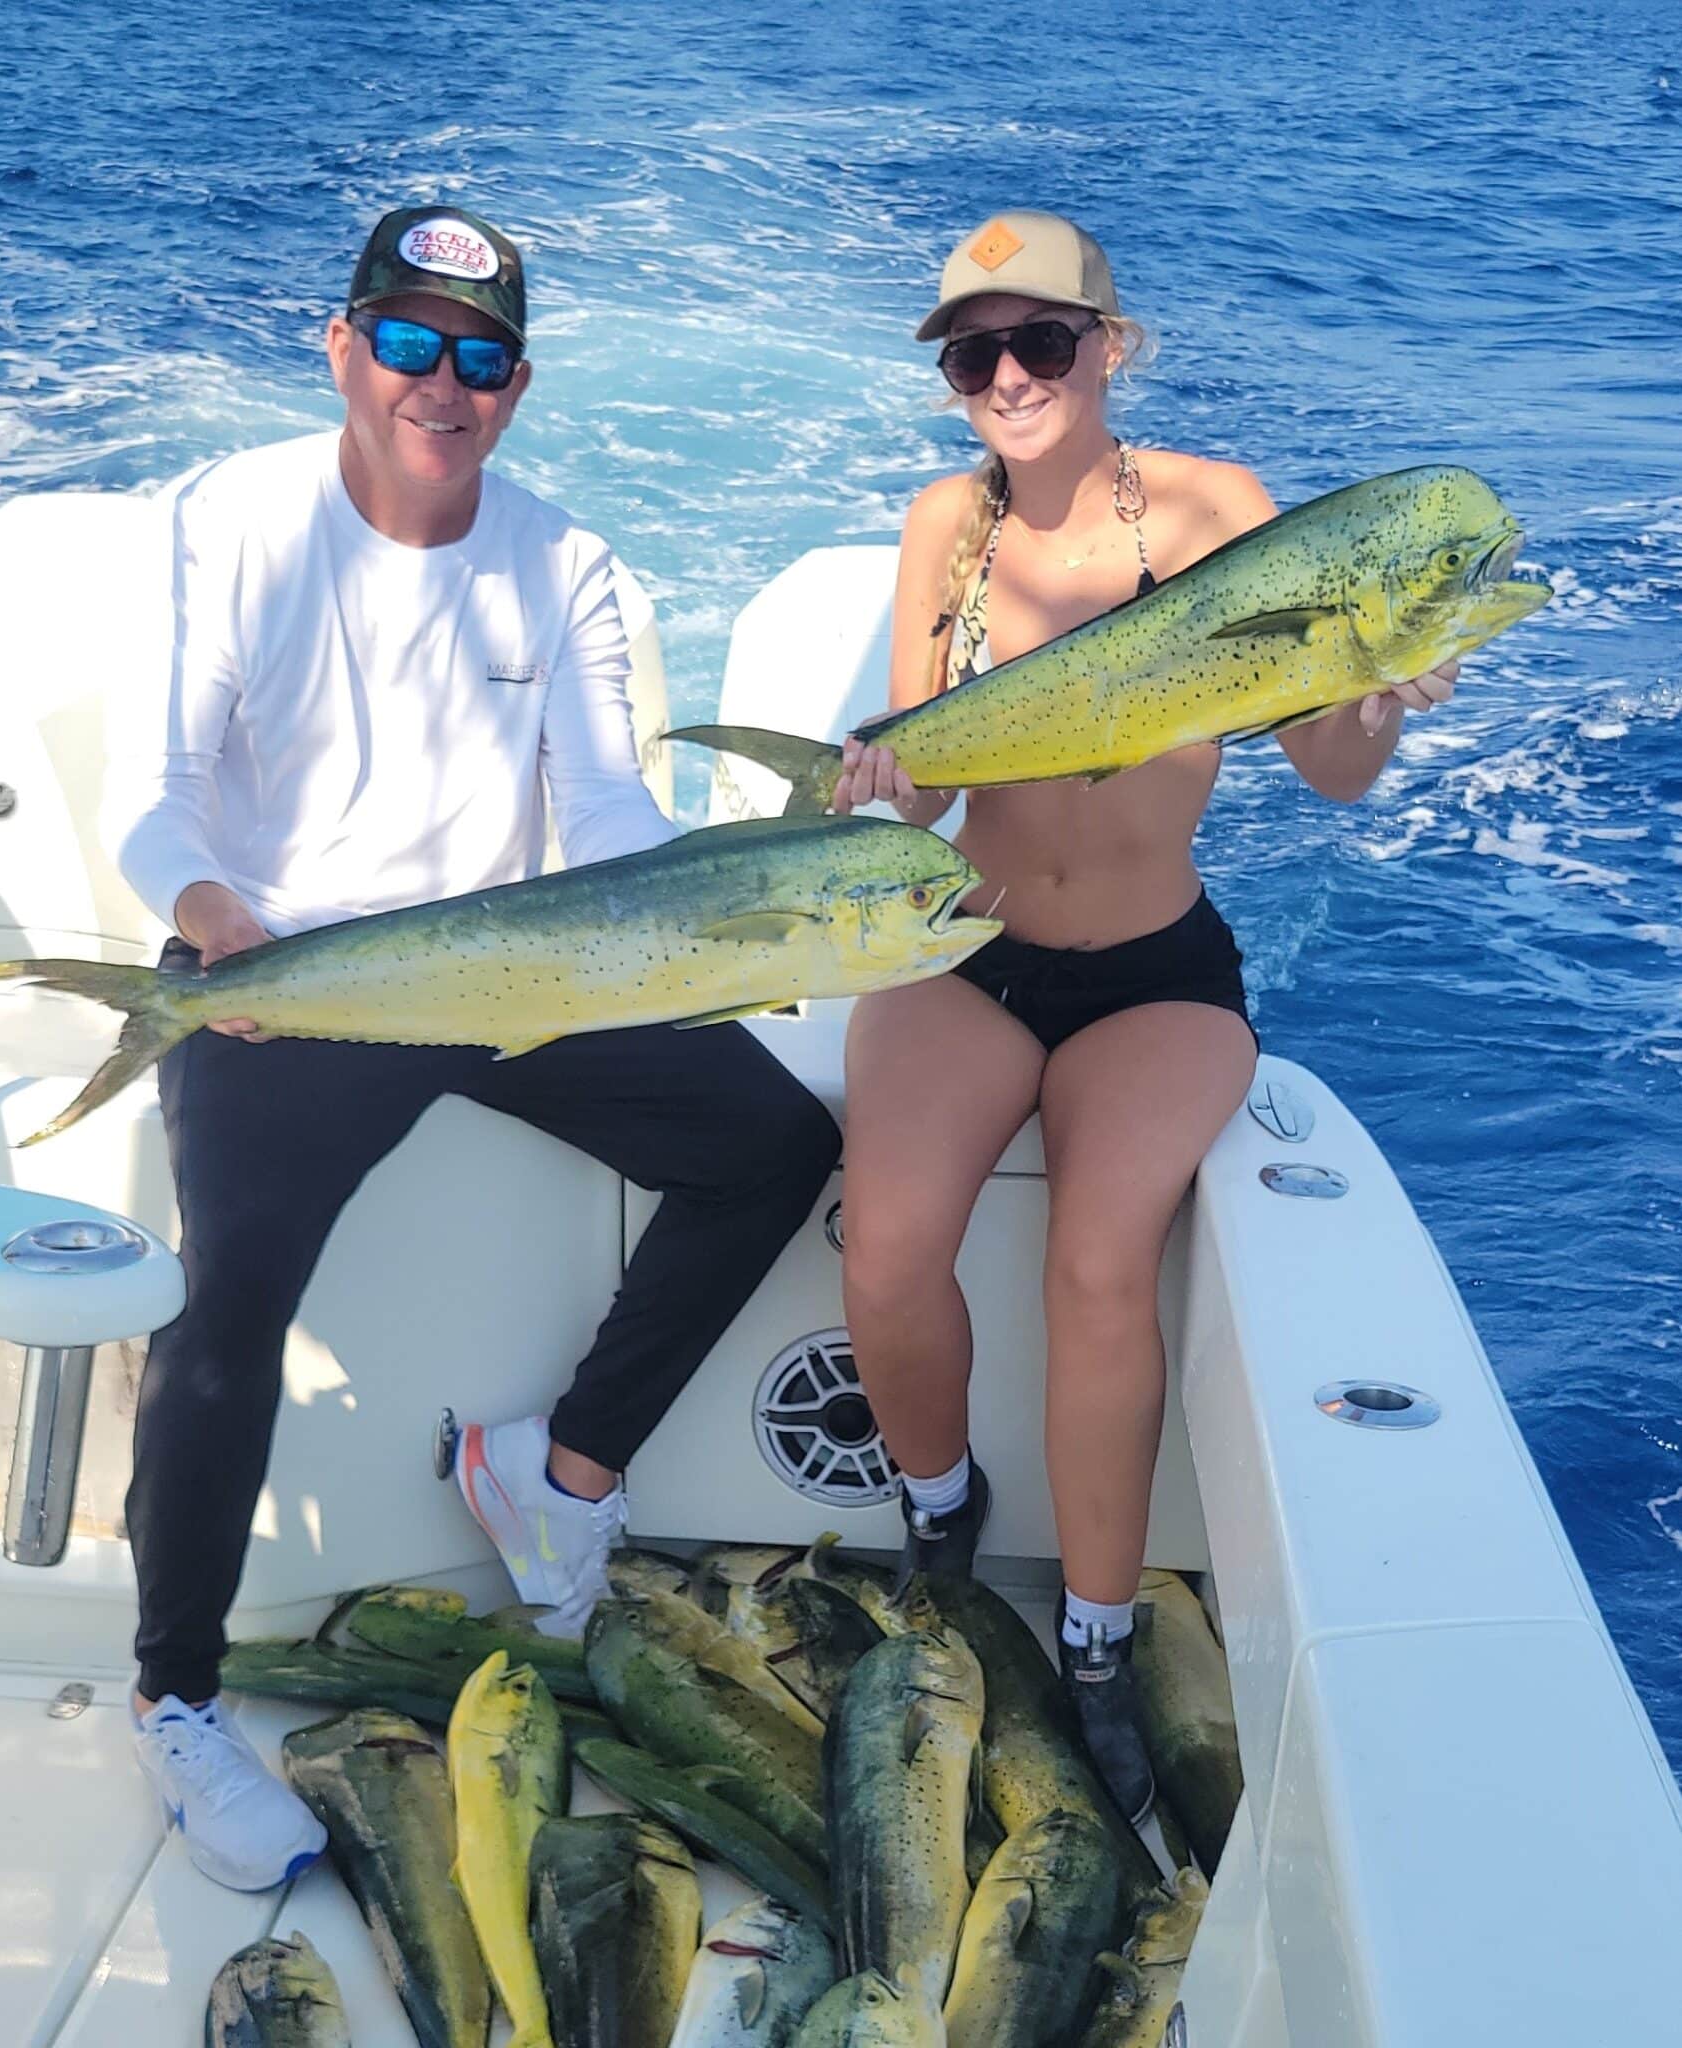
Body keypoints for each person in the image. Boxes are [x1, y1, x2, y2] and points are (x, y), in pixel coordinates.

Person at [105, 203, 840, 1891]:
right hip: (290, 963)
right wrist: (218, 920)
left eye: (485, 359)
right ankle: (175, 1700)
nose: (447, 384)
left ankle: (562, 1469)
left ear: (516, 387)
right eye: (416, 345)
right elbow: (156, 796)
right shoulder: (228, 518)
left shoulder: (567, 560)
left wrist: (696, 916)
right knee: (226, 1307)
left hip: (513, 968)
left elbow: (600, 808)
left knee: (777, 1143)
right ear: (347, 345)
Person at [831, 210, 1459, 1823]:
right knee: (887, 1246)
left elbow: (1328, 771)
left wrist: (1375, 688)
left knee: (1101, 1260)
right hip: (966, 947)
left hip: (1155, 972)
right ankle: (940, 1507)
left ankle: (1098, 1636)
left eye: (1044, 340)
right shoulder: (938, 528)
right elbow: (922, 798)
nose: (1012, 375)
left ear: (1110, 346)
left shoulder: (1211, 510)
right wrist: (880, 784)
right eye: (977, 353)